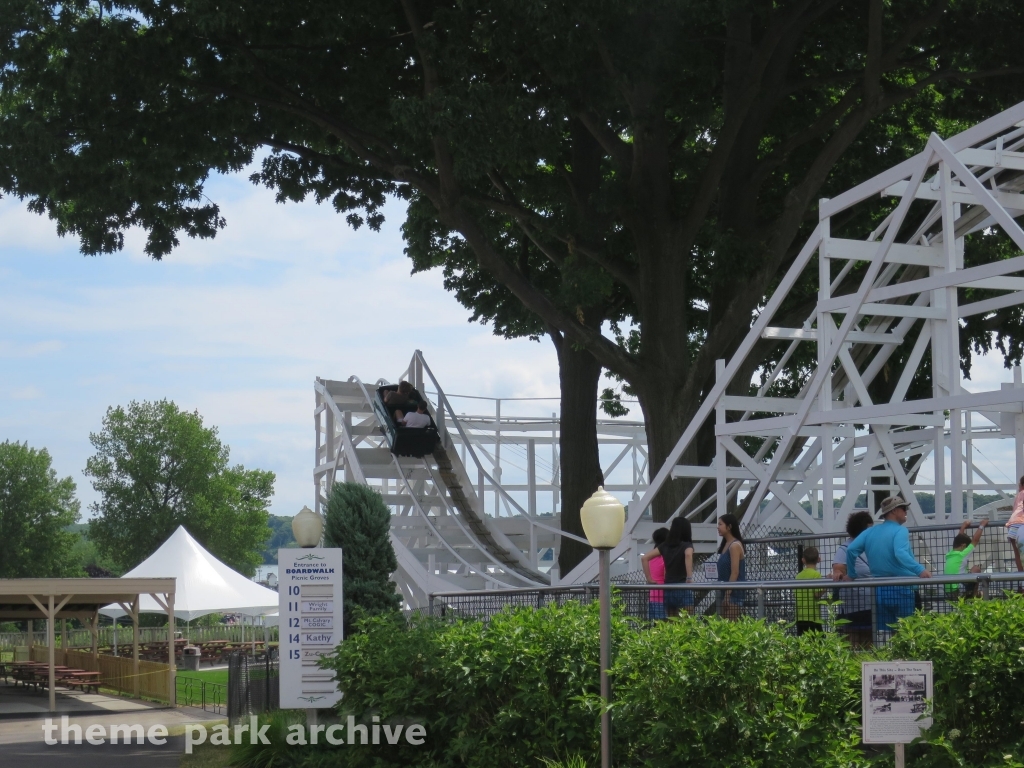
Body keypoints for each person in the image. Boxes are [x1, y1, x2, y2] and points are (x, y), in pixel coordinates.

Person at [847, 496, 932, 633]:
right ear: (894, 511)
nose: (906, 511)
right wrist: (920, 570)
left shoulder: (869, 532)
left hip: (879, 589)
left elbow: (851, 550)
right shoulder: (901, 530)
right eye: (904, 508)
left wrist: (851, 574)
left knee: (883, 635)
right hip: (905, 588)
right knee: (909, 633)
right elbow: (900, 553)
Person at [832, 510, 874, 647]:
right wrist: (837, 573)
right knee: (854, 643)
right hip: (853, 607)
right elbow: (838, 568)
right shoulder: (845, 549)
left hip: (869, 604)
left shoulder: (870, 548)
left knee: (867, 643)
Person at [648, 517, 694, 617]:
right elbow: (688, 555)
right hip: (683, 586)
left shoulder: (664, 546)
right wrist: (689, 577)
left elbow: (644, 558)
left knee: (672, 622)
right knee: (688, 620)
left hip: (668, 587)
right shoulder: (687, 545)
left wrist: (649, 579)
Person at [944, 519, 988, 598]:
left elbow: (959, 538)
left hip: (948, 591)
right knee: (976, 569)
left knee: (967, 573)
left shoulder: (950, 554)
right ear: (963, 546)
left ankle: (974, 594)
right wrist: (982, 525)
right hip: (958, 590)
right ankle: (974, 595)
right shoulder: (962, 554)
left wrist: (963, 527)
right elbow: (975, 540)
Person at [716, 514, 746, 620]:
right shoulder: (726, 544)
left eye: (720, 524)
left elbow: (735, 572)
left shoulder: (734, 545)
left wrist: (727, 595)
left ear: (729, 527)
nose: (718, 527)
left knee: (729, 626)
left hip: (734, 592)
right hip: (725, 590)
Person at [795, 546, 825, 635]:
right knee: (818, 643)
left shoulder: (798, 576)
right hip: (813, 616)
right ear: (819, 559)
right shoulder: (816, 575)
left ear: (803, 560)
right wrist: (825, 588)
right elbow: (816, 594)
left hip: (800, 616)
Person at [643, 527, 669, 621]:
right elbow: (666, 574)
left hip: (653, 595)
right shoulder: (664, 557)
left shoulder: (651, 557)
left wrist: (649, 579)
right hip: (663, 595)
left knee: (656, 626)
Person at [1006, 476, 1024, 572]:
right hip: (1022, 523)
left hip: (1012, 525)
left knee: (1017, 554)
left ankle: (1021, 577)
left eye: (1019, 486)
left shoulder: (1018, 495)